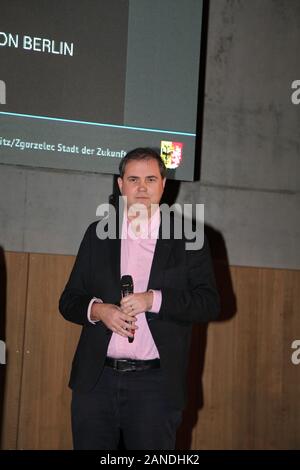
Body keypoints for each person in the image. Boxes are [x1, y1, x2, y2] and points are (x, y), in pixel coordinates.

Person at [59, 147, 220, 450]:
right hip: (96, 383)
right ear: (121, 186)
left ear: (163, 184)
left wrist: (153, 300)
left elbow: (209, 303)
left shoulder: (189, 237)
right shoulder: (98, 234)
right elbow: (69, 300)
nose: (142, 188)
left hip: (155, 387)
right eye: (133, 179)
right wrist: (98, 310)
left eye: (150, 179)